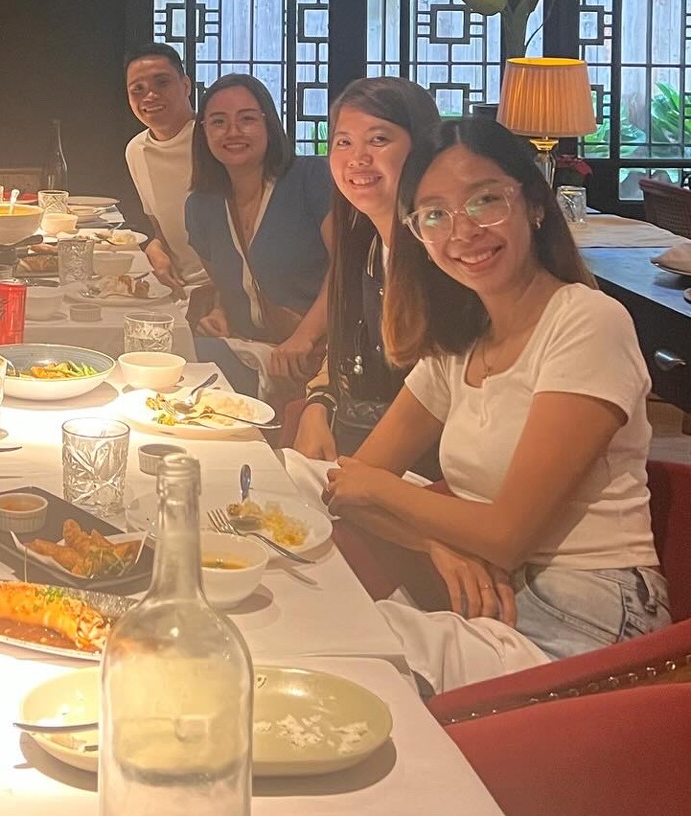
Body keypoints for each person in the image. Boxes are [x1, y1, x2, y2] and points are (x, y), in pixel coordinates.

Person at [323, 118, 670, 692]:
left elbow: (506, 532)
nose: (462, 231)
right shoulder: (460, 344)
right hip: (497, 600)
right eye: (433, 214)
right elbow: (346, 489)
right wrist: (437, 541)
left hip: (590, 616)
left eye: (485, 200)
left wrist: (382, 489)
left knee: (348, 669)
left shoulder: (585, 322)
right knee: (318, 638)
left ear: (534, 203)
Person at [293, 77, 441, 461]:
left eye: (378, 140)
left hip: (425, 468)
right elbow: (345, 344)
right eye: (343, 142)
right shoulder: (365, 243)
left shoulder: (444, 256)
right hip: (359, 448)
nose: (357, 158)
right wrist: (317, 405)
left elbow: (440, 395)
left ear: (422, 147)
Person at [183, 73, 334, 395]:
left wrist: (303, 337)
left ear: (269, 124)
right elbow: (225, 282)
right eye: (218, 122)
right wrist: (219, 311)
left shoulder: (310, 178)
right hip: (248, 349)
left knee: (182, 364)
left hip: (317, 356)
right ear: (203, 132)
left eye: (247, 119)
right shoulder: (201, 206)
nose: (233, 132)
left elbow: (348, 266)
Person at [122, 43, 207, 295]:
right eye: (138, 89)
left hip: (231, 292)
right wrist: (155, 247)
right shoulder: (136, 150)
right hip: (177, 289)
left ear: (186, 86)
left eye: (162, 83)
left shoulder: (214, 140)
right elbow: (161, 228)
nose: (149, 96)